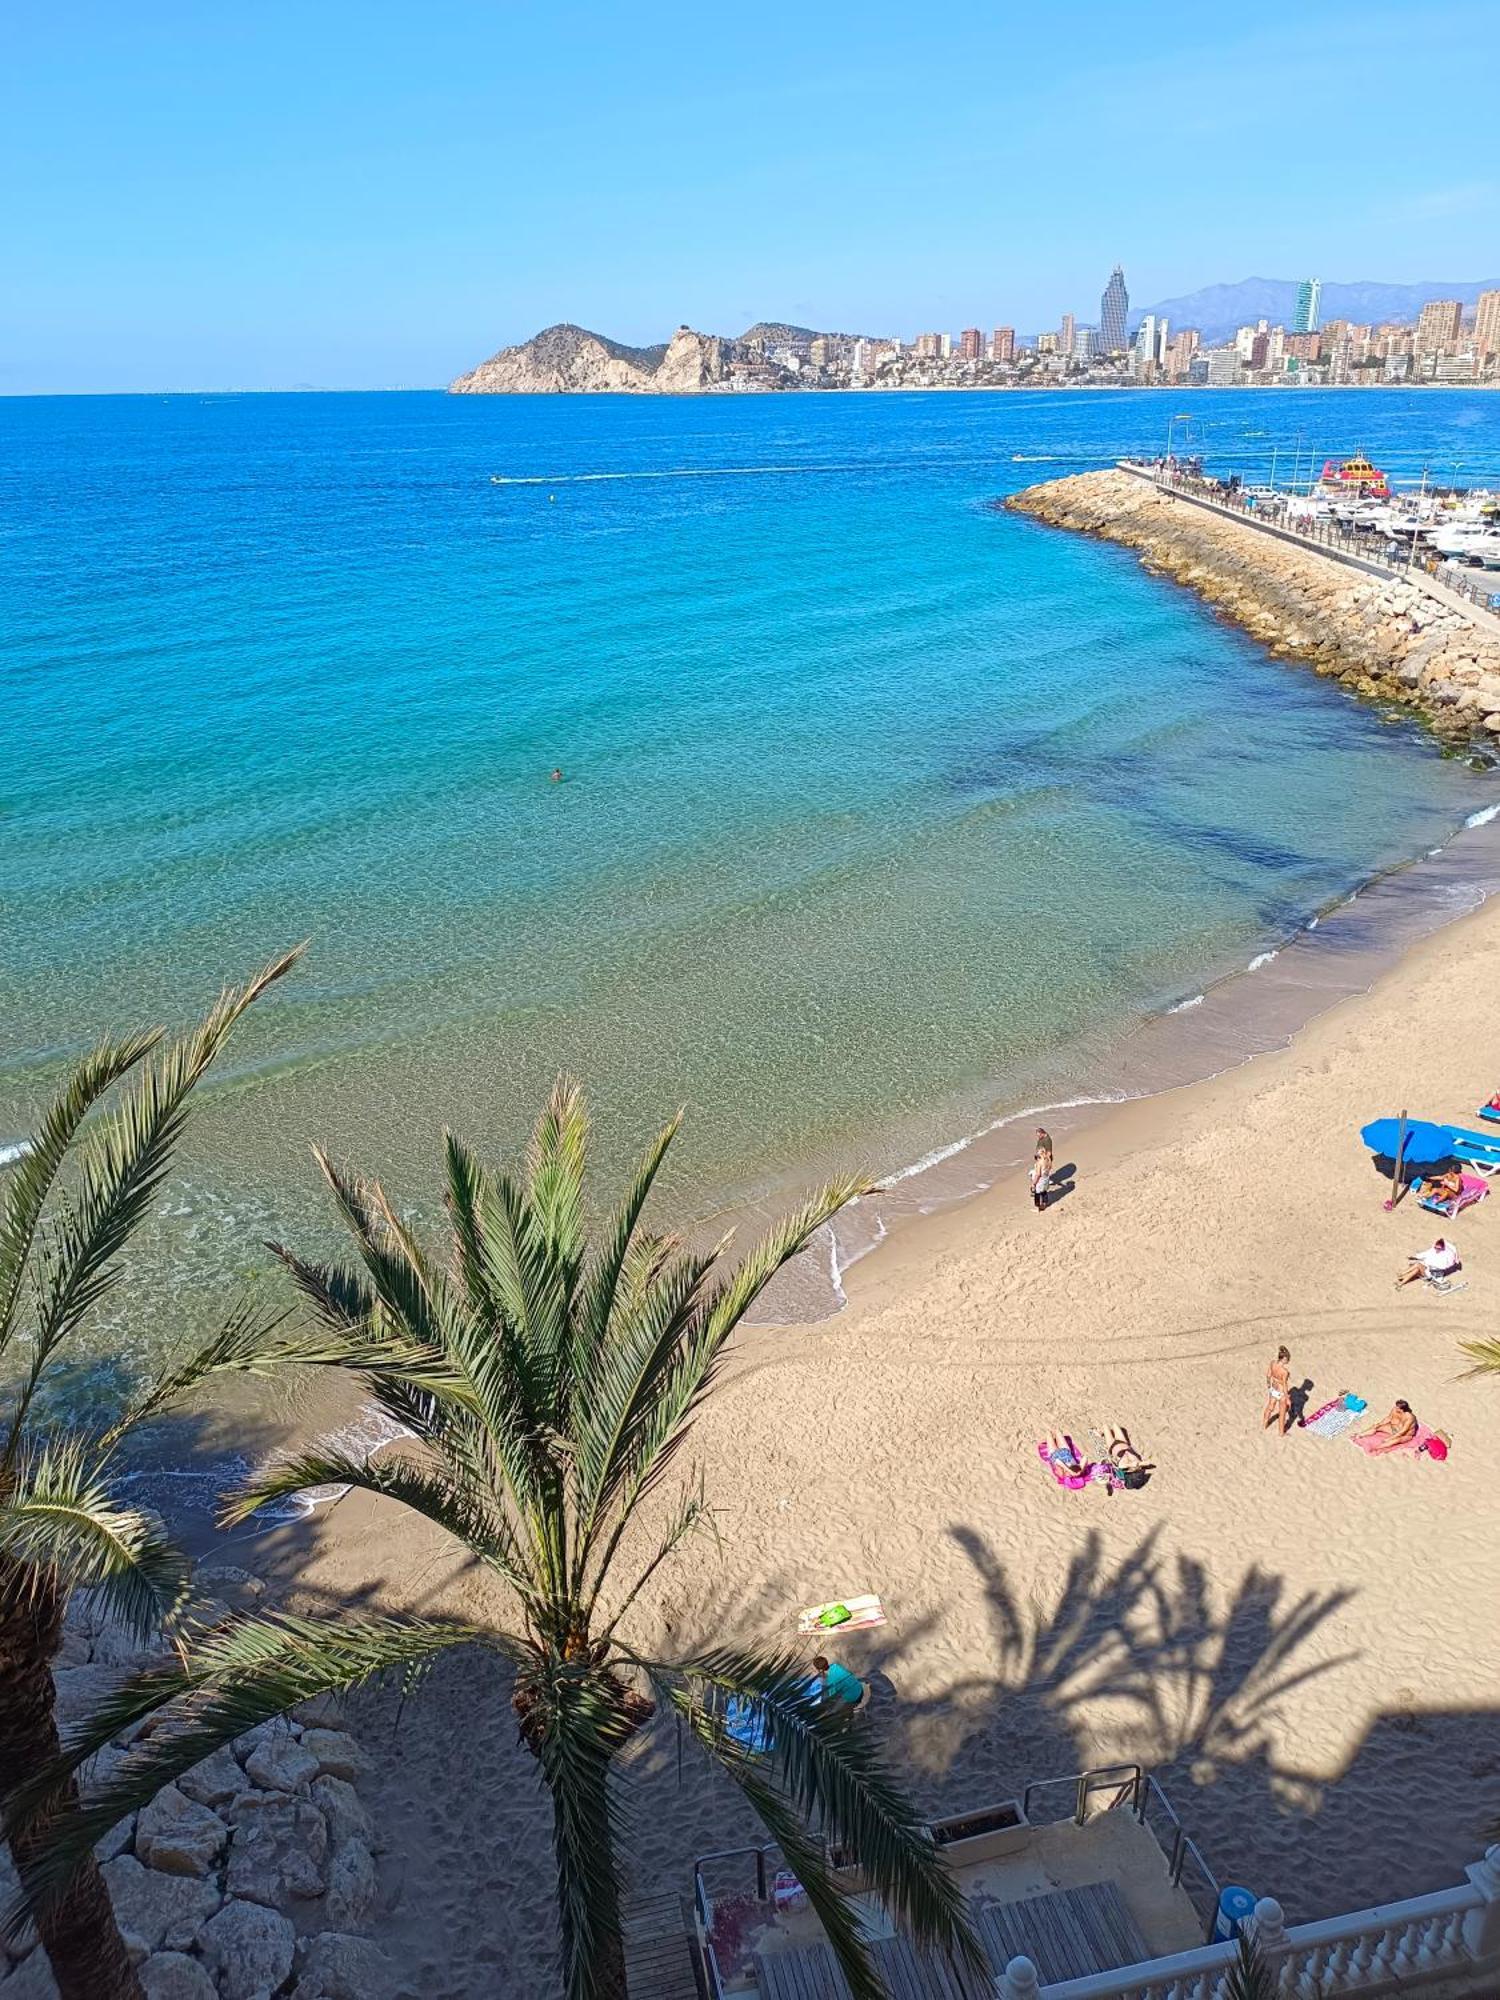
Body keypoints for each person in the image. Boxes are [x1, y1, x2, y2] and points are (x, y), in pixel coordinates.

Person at [1263, 1346, 1292, 1436]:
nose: (1288, 1361)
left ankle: (1264, 1425)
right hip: (1281, 1392)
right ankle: (1281, 1432)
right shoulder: (1285, 1371)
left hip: (1273, 1388)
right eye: (1288, 1359)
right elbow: (1284, 1385)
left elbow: (1268, 1375)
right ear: (1284, 1358)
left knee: (1270, 1407)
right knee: (1282, 1413)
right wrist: (1287, 1398)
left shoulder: (1272, 1363)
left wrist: (1269, 1386)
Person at [1030, 1127, 1054, 1212]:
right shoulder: (1047, 1162)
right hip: (1045, 1179)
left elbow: (1038, 1174)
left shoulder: (1047, 1140)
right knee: (1044, 1191)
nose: (1038, 1137)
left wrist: (1033, 1184)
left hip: (1040, 1179)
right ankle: (1045, 1203)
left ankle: (1038, 1207)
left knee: (1037, 1192)